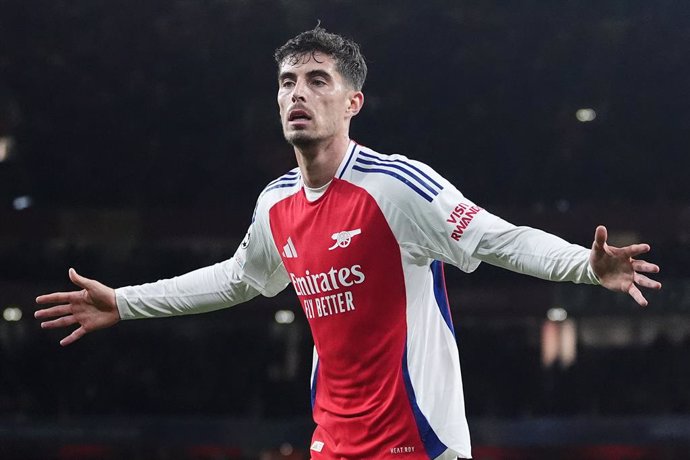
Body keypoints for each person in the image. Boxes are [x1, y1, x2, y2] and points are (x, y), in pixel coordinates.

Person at [35, 27, 661, 460]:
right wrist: (124, 301)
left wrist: (585, 265)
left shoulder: (397, 187)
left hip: (420, 440)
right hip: (332, 440)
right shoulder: (275, 202)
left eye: (316, 80)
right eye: (287, 82)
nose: (297, 93)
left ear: (353, 101)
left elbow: (501, 238)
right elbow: (238, 278)